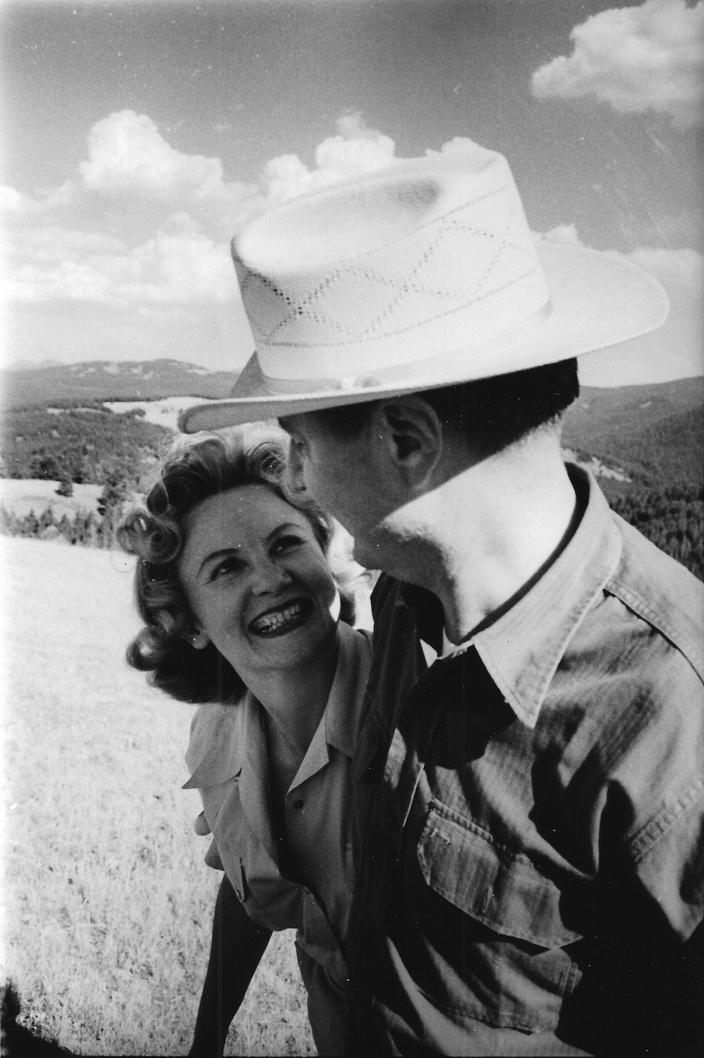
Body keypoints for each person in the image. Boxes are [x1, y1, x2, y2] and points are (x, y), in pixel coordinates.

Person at [179, 141, 704, 1056]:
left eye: (301, 444)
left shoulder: (668, 717)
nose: (297, 481)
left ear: (407, 440)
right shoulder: (402, 609)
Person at [118, 427, 372, 1056]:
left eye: (287, 544)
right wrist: (207, 1040)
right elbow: (250, 883)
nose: (271, 579)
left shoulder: (408, 706)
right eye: (227, 566)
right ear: (191, 623)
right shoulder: (218, 733)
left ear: (324, 557)